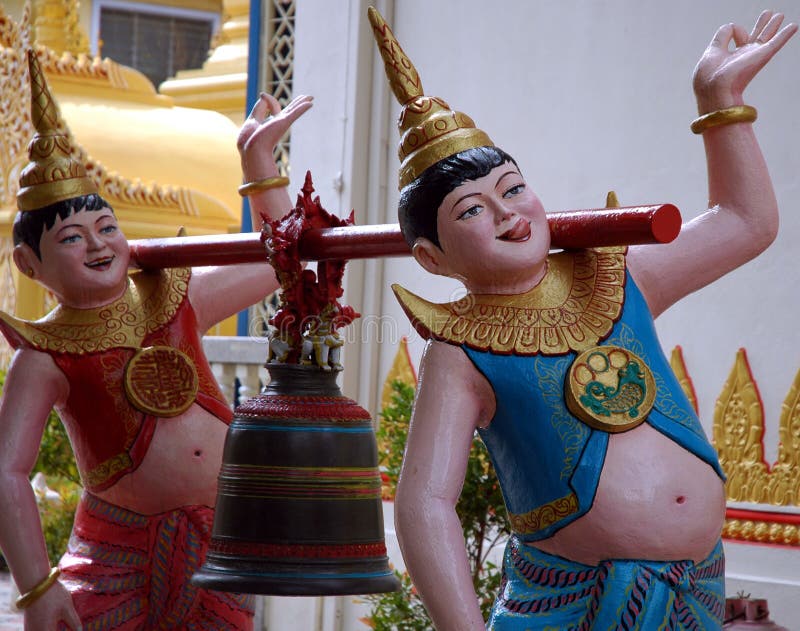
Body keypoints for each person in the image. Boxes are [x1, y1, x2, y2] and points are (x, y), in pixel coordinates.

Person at [368, 8, 795, 630]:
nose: (507, 213)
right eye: (471, 211)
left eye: (512, 189)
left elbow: (744, 222)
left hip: (694, 590)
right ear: (432, 259)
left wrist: (718, 101)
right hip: (573, 603)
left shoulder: (621, 278)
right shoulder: (460, 351)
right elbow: (425, 504)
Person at [0, 50, 312, 630]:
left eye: (107, 227)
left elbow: (283, 263)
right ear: (28, 263)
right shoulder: (45, 354)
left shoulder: (173, 297)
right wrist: (36, 588)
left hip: (217, 547)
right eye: (71, 237)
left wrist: (258, 164)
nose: (97, 245)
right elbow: (6, 471)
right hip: (114, 558)